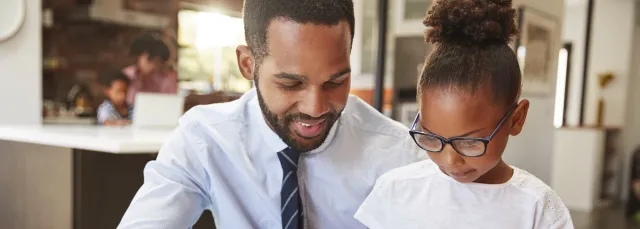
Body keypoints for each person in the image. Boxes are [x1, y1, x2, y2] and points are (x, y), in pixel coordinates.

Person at [117, 0, 425, 228]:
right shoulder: (204, 140)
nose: (315, 108)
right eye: (291, 83)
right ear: (247, 65)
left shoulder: (397, 153)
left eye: (336, 81)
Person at [354, 0, 574, 228]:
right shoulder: (396, 190)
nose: (450, 161)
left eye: (469, 142)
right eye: (431, 137)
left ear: (516, 119)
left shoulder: (538, 207)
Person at [122, 33, 178, 105]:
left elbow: (170, 103)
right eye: (151, 61)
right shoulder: (126, 76)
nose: (153, 67)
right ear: (140, 57)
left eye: (158, 63)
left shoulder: (165, 78)